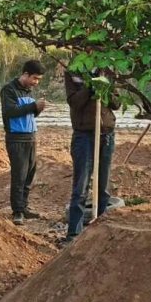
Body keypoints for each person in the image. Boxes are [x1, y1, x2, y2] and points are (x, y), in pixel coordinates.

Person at [64, 68, 117, 241]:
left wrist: (105, 88)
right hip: (84, 135)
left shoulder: (108, 70)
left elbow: (117, 103)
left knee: (103, 187)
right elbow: (74, 102)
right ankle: (74, 235)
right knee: (81, 187)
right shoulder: (73, 72)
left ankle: (102, 233)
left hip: (106, 134)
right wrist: (90, 87)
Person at [0, 59, 47, 224]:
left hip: (31, 137)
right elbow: (10, 112)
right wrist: (34, 106)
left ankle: (24, 207)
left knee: (29, 175)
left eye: (38, 80)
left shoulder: (28, 91)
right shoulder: (9, 90)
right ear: (25, 74)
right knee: (19, 175)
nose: (36, 82)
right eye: (34, 78)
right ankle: (17, 211)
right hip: (16, 138)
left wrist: (37, 109)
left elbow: (29, 114)